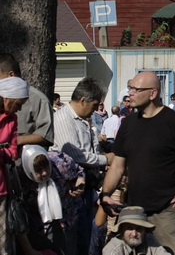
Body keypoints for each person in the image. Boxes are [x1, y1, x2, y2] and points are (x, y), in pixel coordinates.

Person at [99, 72, 175, 255]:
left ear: (152, 93)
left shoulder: (173, 121)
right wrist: (105, 194)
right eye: (130, 88)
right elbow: (117, 166)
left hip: (167, 214)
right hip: (134, 214)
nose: (130, 93)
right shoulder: (128, 123)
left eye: (136, 89)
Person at [52, 77, 114, 255]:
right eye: (94, 105)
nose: (95, 110)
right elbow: (75, 155)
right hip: (70, 189)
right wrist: (105, 159)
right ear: (83, 100)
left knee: (86, 237)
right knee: (76, 239)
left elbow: (89, 149)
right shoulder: (64, 119)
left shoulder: (82, 120)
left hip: (86, 187)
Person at [21, 145, 86, 255]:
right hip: (37, 226)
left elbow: (79, 171)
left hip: (65, 219)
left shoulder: (61, 164)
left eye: (46, 167)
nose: (44, 173)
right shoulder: (21, 177)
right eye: (38, 170)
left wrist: (80, 181)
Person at [0, 53, 54, 150]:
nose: (19, 108)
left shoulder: (38, 99)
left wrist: (14, 140)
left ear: (11, 75)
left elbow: (46, 135)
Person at [0, 76, 29, 254]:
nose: (19, 108)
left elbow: (12, 150)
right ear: (7, 99)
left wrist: (3, 153)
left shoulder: (12, 119)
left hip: (2, 187)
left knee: (3, 243)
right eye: (18, 104)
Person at [102, 206, 171, 255]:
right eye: (130, 228)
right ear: (122, 230)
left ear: (144, 229)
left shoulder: (149, 240)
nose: (134, 234)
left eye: (139, 228)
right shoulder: (113, 249)